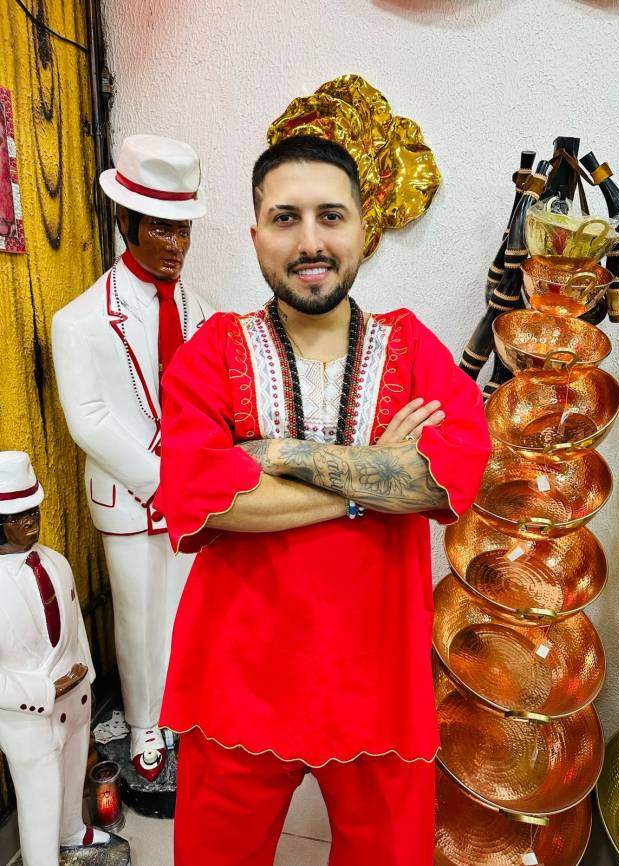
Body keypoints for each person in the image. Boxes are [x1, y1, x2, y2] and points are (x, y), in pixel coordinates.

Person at [154, 134, 491, 865]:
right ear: (255, 236)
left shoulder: (410, 348)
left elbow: (447, 478)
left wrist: (281, 455)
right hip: (236, 682)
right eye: (286, 218)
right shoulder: (214, 350)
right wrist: (374, 482)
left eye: (330, 216)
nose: (310, 241)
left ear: (364, 229)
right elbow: (205, 498)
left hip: (382, 684)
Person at [51, 134, 214, 781]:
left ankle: (180, 711)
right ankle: (146, 723)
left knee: (183, 610)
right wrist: (161, 476)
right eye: (161, 228)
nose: (176, 245)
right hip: (129, 498)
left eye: (184, 229)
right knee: (138, 616)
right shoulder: (80, 321)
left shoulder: (204, 316)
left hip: (189, 494)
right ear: (126, 222)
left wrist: (199, 471)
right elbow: (88, 420)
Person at [0, 451, 110, 865]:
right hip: (28, 717)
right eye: (18, 516)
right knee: (39, 798)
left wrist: (86, 680)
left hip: (74, 702)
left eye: (34, 511)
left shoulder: (56, 562)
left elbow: (75, 626)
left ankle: (72, 830)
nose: (31, 521)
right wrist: (46, 691)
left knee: (71, 774)